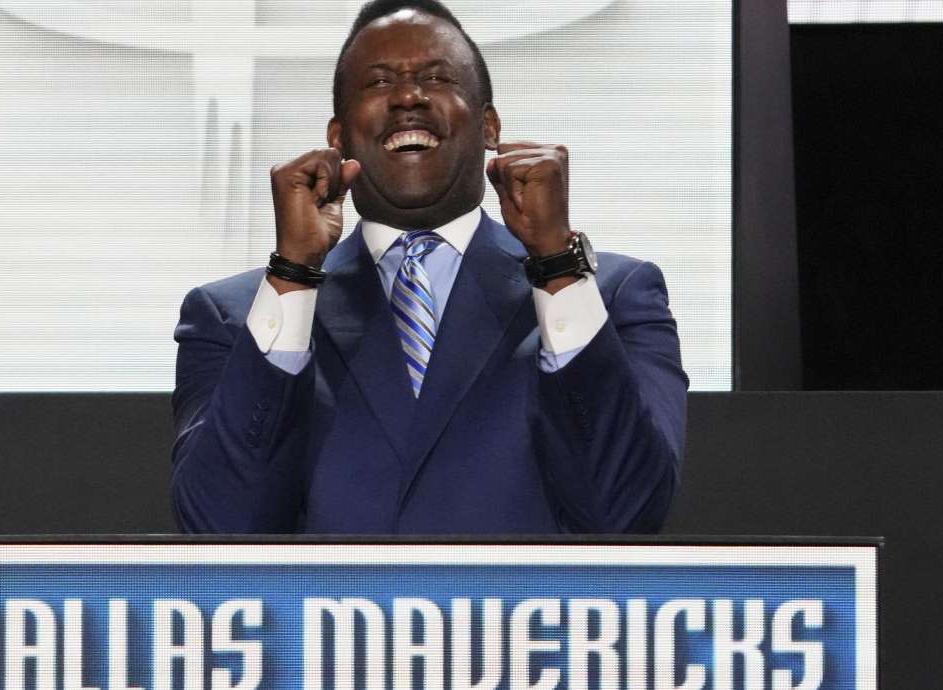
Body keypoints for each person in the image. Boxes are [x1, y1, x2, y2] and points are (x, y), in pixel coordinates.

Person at [171, 0, 687, 534]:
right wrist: (293, 277)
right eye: (377, 82)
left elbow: (625, 515)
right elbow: (218, 527)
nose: (407, 97)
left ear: (489, 126)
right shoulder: (235, 316)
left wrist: (556, 264)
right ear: (338, 136)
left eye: (437, 77)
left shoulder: (612, 295)